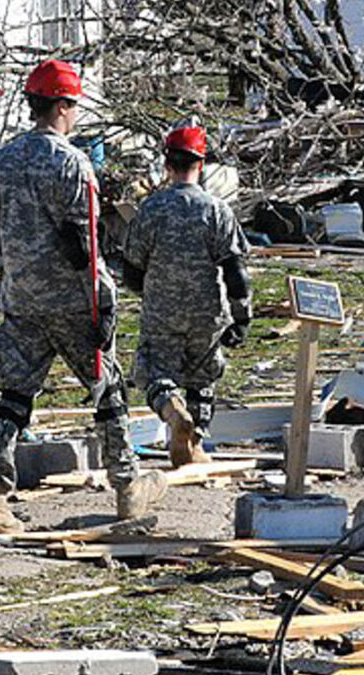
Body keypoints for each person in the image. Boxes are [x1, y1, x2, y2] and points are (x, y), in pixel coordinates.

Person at [0, 60, 167, 535]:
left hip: (21, 298)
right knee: (108, 395)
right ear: (62, 105)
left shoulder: (0, 160)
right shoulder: (71, 163)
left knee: (13, 398)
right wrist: (103, 301)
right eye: (74, 106)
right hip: (73, 302)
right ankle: (127, 488)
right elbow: (87, 244)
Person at [122, 121, 251, 466]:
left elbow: (131, 269)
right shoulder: (217, 210)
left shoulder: (150, 209)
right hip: (207, 312)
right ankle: (195, 445)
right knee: (203, 376)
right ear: (202, 164)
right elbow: (236, 272)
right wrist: (242, 317)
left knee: (154, 372)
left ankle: (170, 408)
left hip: (162, 310)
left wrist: (150, 291)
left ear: (167, 163)